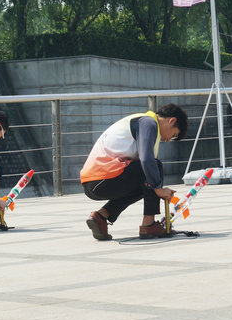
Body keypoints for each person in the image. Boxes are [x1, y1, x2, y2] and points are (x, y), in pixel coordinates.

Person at [80, 103, 188, 240]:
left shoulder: (141, 121)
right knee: (154, 166)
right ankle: (148, 226)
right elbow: (147, 160)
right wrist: (159, 190)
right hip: (101, 179)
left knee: (147, 179)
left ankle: (101, 216)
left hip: (92, 183)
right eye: (173, 135)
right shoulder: (149, 123)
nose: (167, 140)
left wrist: (156, 187)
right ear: (172, 121)